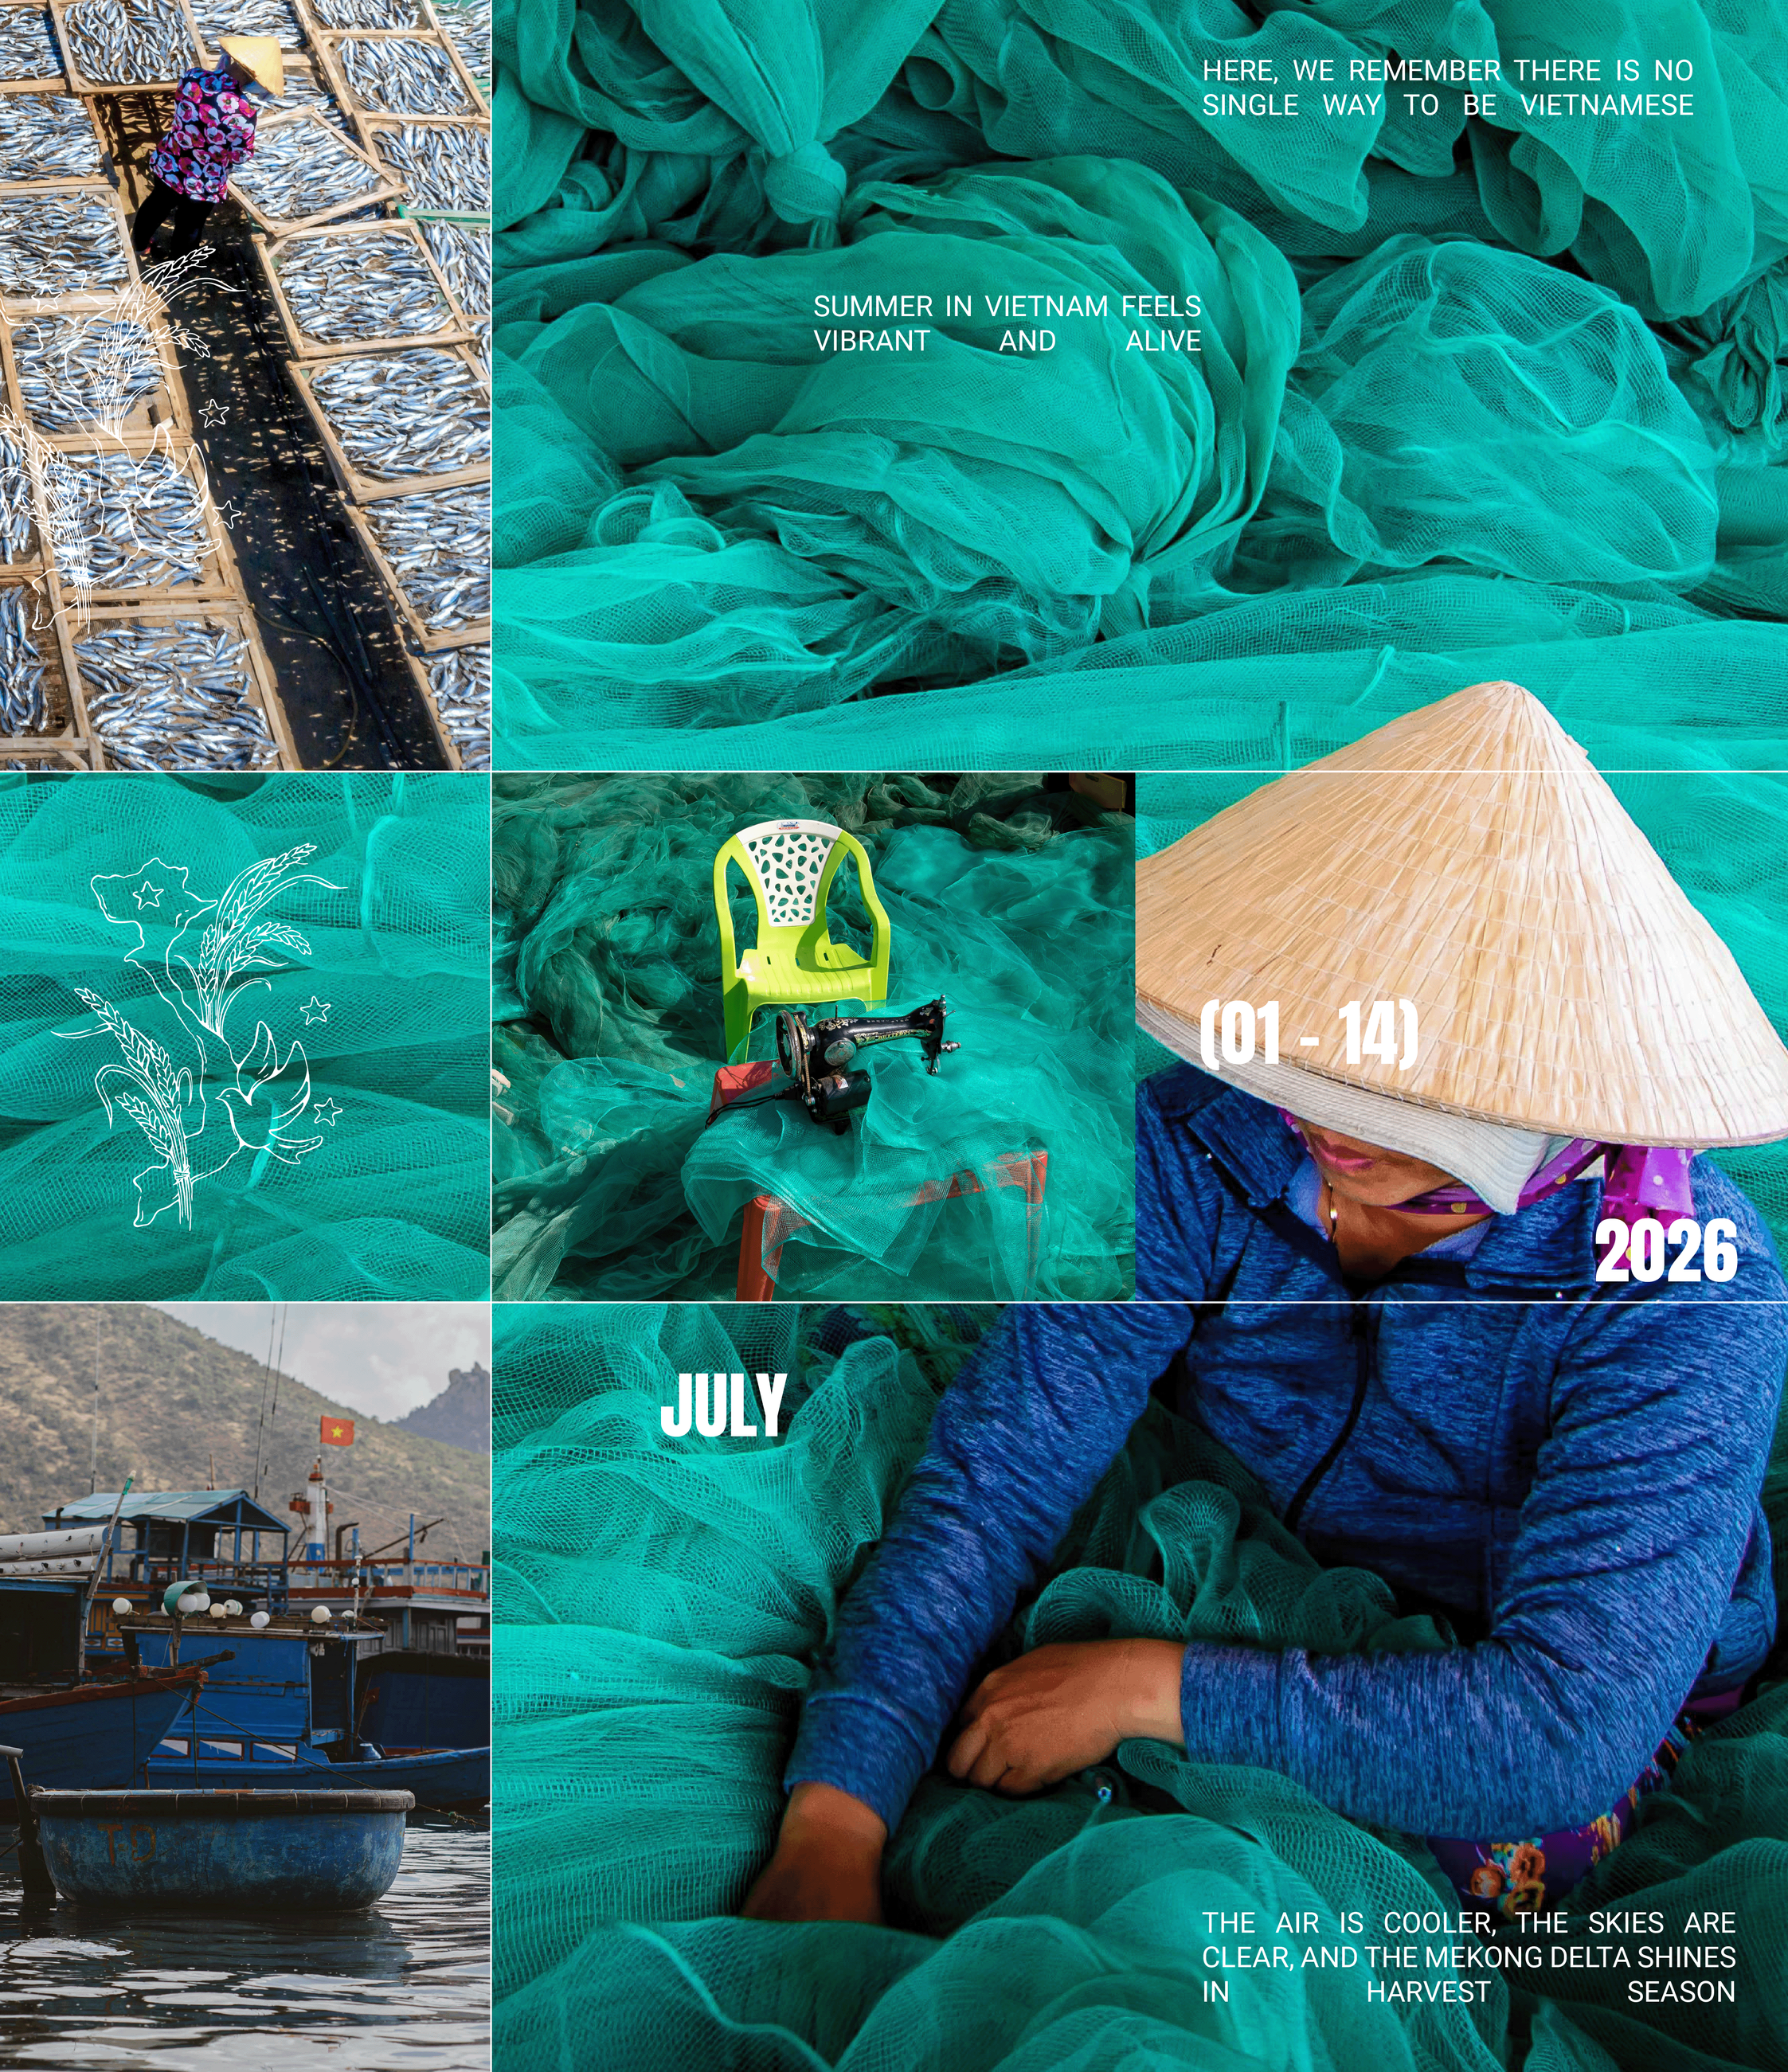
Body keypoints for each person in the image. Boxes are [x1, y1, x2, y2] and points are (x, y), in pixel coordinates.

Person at [742, 682, 1788, 1927]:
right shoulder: (1199, 1143)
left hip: (1526, 1682)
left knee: (1390, 1886)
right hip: (1240, 1542)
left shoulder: (1686, 1290)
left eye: (1407, 1099)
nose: (1335, 1128)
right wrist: (836, 1809)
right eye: (1313, 1062)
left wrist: (1148, 1686)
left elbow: (1560, 1728)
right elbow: (1001, 1471)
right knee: (938, 1565)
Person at [131, 33, 284, 260]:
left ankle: (139, 245)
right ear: (253, 78)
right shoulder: (244, 114)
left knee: (156, 205)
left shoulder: (193, 77)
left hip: (170, 161)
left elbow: (181, 104)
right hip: (204, 181)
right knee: (190, 225)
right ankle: (178, 265)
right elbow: (241, 155)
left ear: (232, 59)